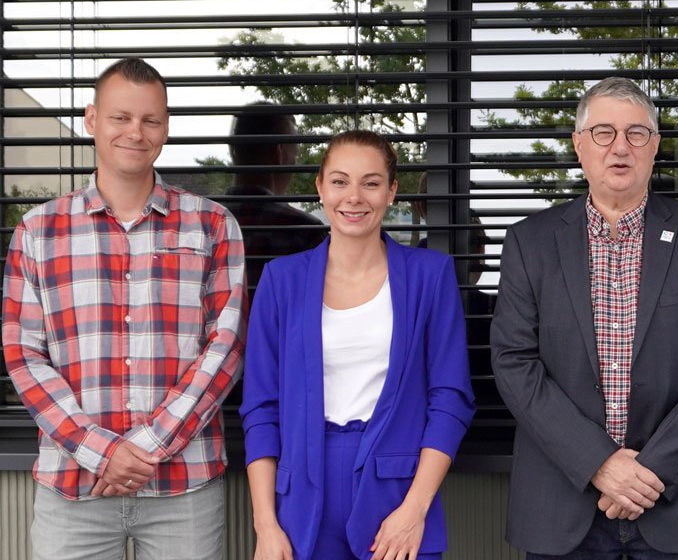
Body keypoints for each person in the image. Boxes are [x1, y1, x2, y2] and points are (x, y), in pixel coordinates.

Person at [490, 76, 678, 558]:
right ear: (578, 146)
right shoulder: (531, 242)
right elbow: (514, 364)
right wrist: (600, 463)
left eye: (636, 133)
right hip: (562, 508)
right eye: (603, 132)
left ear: (655, 147)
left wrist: (649, 471)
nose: (619, 147)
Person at [1, 57, 245, 559]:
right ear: (92, 120)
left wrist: (146, 448)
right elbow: (22, 353)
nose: (136, 132)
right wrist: (103, 450)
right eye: (120, 117)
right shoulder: (38, 231)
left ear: (166, 128)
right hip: (73, 487)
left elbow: (226, 344)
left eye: (150, 120)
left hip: (186, 487)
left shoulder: (212, 225)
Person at [240, 129, 476, 560]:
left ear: (391, 192)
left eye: (370, 182)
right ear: (319, 188)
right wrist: (266, 523)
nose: (354, 196)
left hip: (398, 499)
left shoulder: (430, 276)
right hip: (302, 506)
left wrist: (414, 509)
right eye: (340, 181)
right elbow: (261, 409)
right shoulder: (281, 280)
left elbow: (450, 400)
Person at [218, 101, 324, 293]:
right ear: (280, 154)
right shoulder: (304, 234)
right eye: (294, 153)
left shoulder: (202, 226)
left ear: (234, 150)